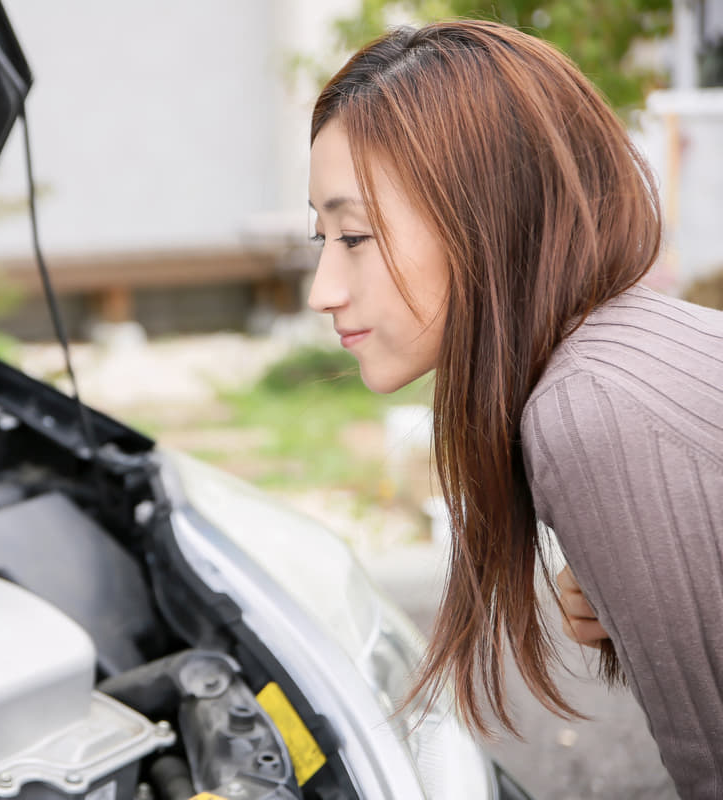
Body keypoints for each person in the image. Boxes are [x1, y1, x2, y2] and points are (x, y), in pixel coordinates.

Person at [306, 19, 723, 798]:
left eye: (355, 236)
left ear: (488, 216)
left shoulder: (591, 411)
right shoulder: (636, 342)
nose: (321, 289)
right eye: (319, 236)